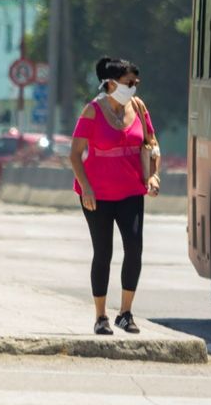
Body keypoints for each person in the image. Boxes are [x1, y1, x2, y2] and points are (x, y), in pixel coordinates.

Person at [69, 57, 161, 335]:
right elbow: (74, 154)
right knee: (103, 251)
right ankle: (100, 317)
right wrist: (85, 186)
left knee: (134, 248)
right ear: (110, 84)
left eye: (135, 83)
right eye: (127, 83)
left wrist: (154, 174)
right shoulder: (92, 112)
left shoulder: (139, 107)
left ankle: (125, 312)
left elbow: (151, 143)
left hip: (131, 190)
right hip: (96, 194)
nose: (132, 88)